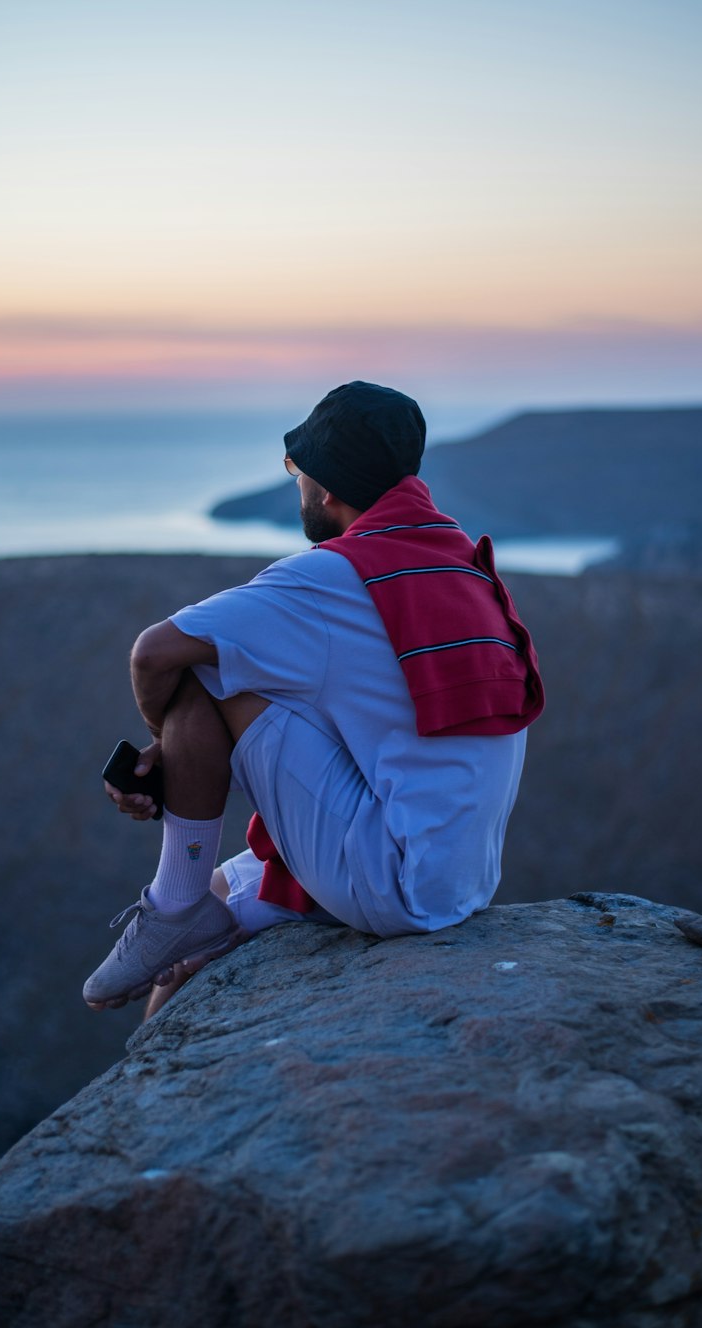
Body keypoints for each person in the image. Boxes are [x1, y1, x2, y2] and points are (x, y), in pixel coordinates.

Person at [83, 381, 544, 1014]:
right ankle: (183, 916)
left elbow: (154, 653)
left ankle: (172, 908)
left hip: (392, 878)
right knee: (183, 965)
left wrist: (172, 749)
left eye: (296, 470)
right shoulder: (460, 566)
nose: (295, 486)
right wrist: (190, 753)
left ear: (326, 487)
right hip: (458, 879)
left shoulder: (329, 577)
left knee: (204, 672)